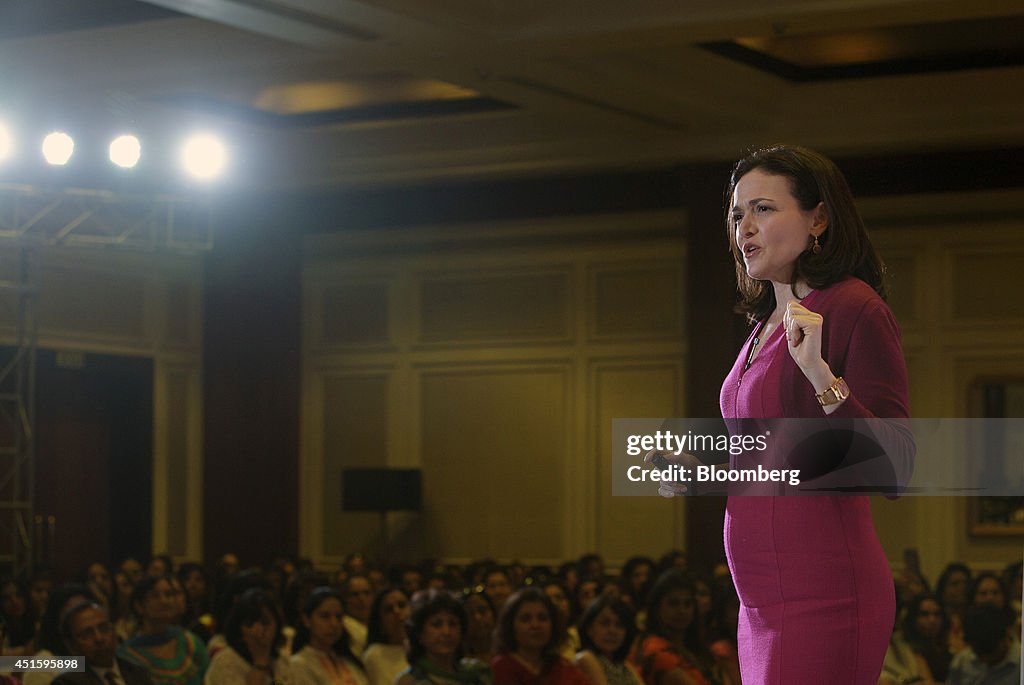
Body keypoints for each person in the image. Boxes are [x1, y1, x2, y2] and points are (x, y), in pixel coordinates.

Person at [650, 145, 914, 684]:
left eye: (764, 209)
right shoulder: (761, 324)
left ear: (818, 217)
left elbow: (894, 467)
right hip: (758, 603)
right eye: (737, 214)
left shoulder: (854, 306)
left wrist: (820, 374)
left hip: (827, 595)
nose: (745, 226)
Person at [117, 575, 209, 685]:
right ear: (139, 606)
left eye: (169, 594)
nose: (164, 601)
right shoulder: (127, 657)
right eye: (155, 596)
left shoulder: (191, 643)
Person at [630, 571, 718, 685]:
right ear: (657, 608)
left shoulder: (692, 647)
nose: (682, 610)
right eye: (673, 603)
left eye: (687, 604)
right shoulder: (657, 651)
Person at [490, 588, 589, 685]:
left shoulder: (561, 666)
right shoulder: (502, 668)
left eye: (542, 618)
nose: (535, 625)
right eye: (525, 619)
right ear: (511, 625)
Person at [396, 590, 488, 685]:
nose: (446, 632)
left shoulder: (478, 674)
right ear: (419, 633)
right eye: (436, 625)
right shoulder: (409, 681)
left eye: (452, 624)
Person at [52, 600, 153, 685]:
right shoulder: (67, 682)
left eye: (104, 628)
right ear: (71, 645)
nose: (99, 638)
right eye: (87, 634)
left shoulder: (137, 673)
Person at [204, 588, 291, 685]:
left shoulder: (282, 661)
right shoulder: (225, 663)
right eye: (250, 624)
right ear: (239, 629)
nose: (258, 630)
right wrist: (260, 661)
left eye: (265, 622)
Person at [290, 587, 367, 685]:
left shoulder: (349, 660)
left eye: (338, 617)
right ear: (307, 620)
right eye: (325, 616)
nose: (334, 624)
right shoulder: (299, 664)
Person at [573, 595, 641, 685]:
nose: (612, 631)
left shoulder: (624, 665)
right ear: (589, 628)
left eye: (619, 625)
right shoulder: (586, 658)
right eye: (605, 623)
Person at [947, 604, 1020, 685]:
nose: (985, 659)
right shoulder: (962, 661)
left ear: (1006, 636)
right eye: (979, 653)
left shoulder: (1019, 663)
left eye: (990, 652)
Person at [361, 588, 410, 685]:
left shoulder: (424, 649)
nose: (397, 611)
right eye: (389, 610)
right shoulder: (375, 655)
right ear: (380, 621)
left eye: (401, 605)